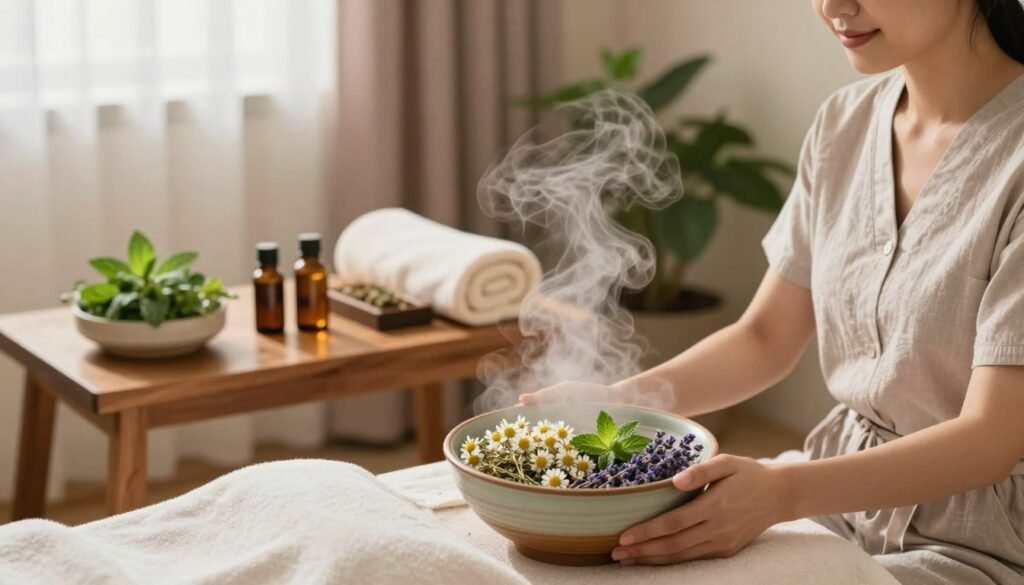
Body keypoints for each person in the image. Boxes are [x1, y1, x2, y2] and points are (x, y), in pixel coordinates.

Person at [520, 1, 1024, 582]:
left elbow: (992, 438)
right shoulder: (845, 123)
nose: (834, 6)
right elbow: (765, 337)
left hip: (983, 543)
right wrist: (621, 402)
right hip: (837, 496)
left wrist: (781, 494)